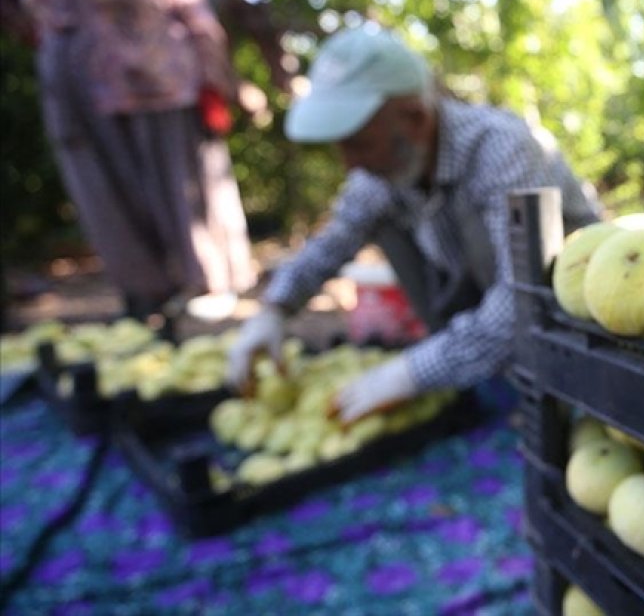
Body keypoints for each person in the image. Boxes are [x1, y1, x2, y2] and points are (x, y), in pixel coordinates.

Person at [225, 26, 600, 421]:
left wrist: (411, 372)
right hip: (479, 323)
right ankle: (467, 368)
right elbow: (332, 242)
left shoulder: (502, 148)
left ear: (416, 118)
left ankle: (519, 388)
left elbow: (524, 297)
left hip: (564, 332)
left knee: (516, 243)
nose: (350, 164)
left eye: (359, 143)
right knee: (380, 219)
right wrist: (274, 309)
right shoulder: (384, 172)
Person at [0, 0, 256, 320]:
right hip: (80, 101)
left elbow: (200, 24)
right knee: (106, 194)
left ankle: (208, 285)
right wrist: (18, 22)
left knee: (184, 190)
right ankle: (146, 293)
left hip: (165, 90)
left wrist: (227, 83)